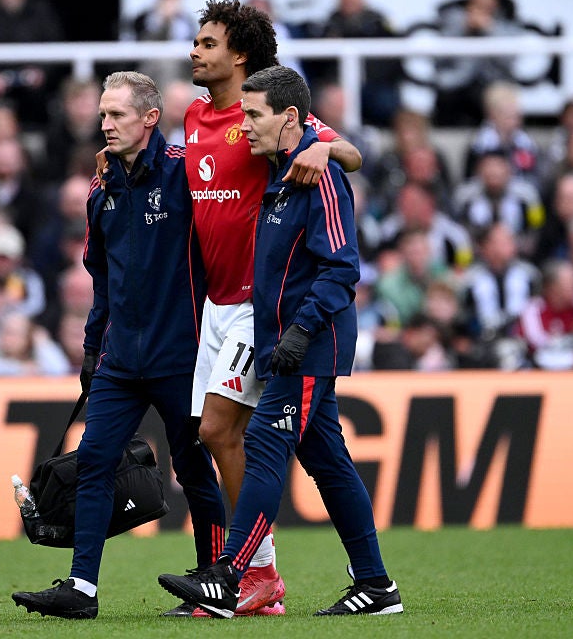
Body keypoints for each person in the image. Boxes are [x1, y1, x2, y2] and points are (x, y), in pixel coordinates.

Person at [158, 65, 402, 618]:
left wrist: (301, 329)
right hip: (284, 343)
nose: (243, 127)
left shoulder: (321, 177)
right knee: (329, 463)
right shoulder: (279, 173)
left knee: (265, 448)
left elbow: (342, 269)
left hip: (309, 345)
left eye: (253, 115)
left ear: (290, 118)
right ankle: (377, 585)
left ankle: (230, 576)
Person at [11, 71, 226, 620]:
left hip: (181, 354)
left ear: (150, 119)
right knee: (95, 460)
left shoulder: (185, 175)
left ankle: (215, 582)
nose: (104, 124)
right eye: (103, 114)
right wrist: (90, 351)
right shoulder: (100, 188)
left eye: (116, 115)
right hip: (120, 359)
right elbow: (101, 282)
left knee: (194, 466)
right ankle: (82, 588)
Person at [180, 0, 362, 618]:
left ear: (239, 54)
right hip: (213, 303)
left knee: (220, 431)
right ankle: (372, 579)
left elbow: (352, 156)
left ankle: (249, 575)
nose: (195, 52)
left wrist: (324, 149)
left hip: (264, 311)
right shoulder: (192, 119)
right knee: (320, 455)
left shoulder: (276, 119)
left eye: (207, 43)